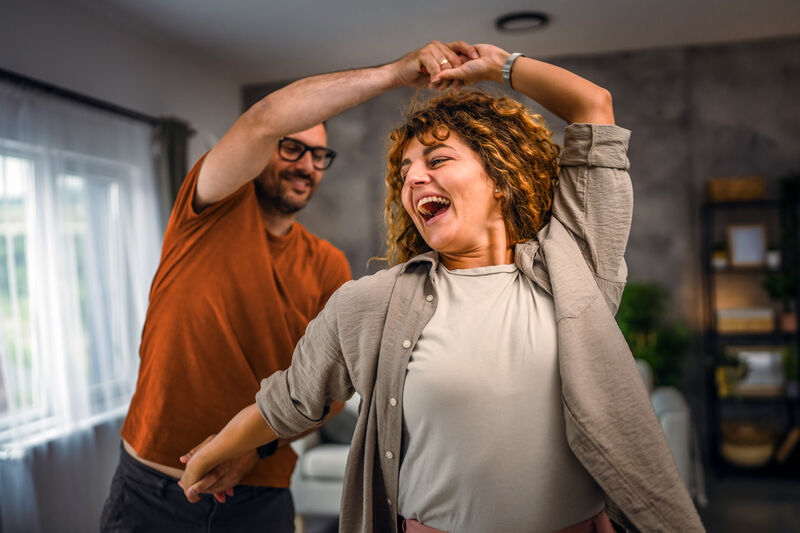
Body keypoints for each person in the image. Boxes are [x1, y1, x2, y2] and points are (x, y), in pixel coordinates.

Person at [178, 40, 705, 533]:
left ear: (499, 176)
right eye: (405, 171)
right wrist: (211, 452)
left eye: (437, 160)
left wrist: (500, 64)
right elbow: (288, 400)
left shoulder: (575, 262)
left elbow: (594, 106)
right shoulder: (371, 303)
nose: (412, 180)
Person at [100, 84, 352, 529]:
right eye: (292, 148)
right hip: (152, 491)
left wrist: (255, 447)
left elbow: (332, 385)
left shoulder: (328, 264)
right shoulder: (210, 209)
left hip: (259, 498)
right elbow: (260, 121)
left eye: (319, 156)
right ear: (265, 149)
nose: (307, 166)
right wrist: (398, 71)